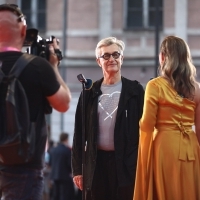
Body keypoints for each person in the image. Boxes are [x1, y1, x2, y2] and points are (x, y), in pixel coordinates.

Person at [0, 4, 71, 200]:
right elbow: (63, 103)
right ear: (23, 31)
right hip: (25, 165)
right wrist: (53, 66)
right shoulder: (37, 66)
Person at [72, 37, 144, 200]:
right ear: (99, 61)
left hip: (126, 164)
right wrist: (77, 169)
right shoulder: (89, 92)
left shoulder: (135, 90)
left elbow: (145, 128)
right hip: (96, 164)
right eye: (106, 56)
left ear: (122, 58)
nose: (111, 59)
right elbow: (79, 132)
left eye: (116, 54)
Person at [133, 35, 200, 200]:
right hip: (191, 150)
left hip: (165, 147)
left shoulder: (154, 85)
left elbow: (147, 124)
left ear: (162, 57)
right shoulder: (197, 89)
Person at [49, 133, 75, 200]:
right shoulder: (67, 150)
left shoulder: (53, 150)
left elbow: (50, 163)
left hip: (54, 175)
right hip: (65, 176)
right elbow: (69, 164)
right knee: (64, 195)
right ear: (66, 139)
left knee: (55, 195)